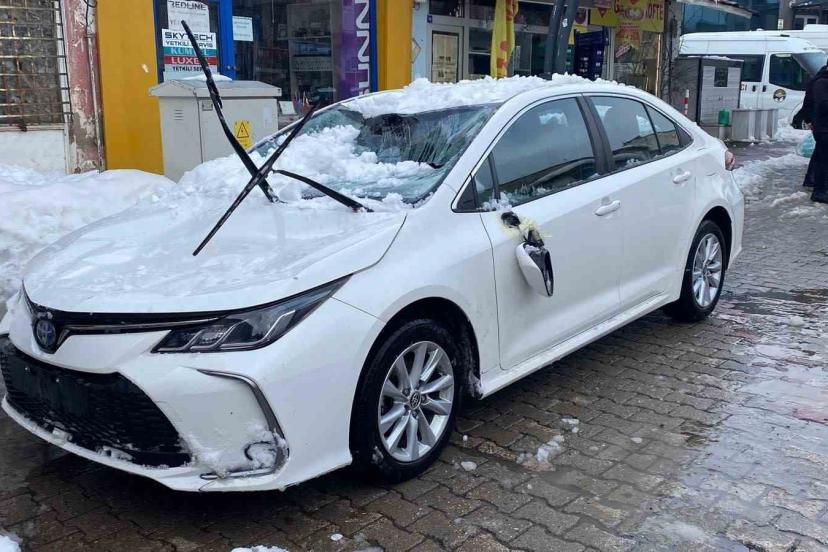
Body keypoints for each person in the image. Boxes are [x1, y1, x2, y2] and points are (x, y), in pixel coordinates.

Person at [795, 65, 828, 203]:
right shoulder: (822, 82)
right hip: (824, 126)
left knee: (820, 156)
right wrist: (808, 119)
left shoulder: (821, 79)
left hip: (822, 125)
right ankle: (819, 191)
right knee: (823, 160)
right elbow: (822, 104)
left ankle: (812, 181)